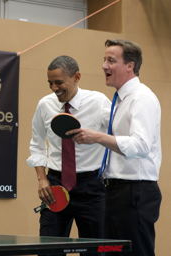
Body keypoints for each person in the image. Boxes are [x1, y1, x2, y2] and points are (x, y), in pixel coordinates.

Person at [69, 40, 161, 256]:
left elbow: (141, 145)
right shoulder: (119, 100)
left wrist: (99, 137)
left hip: (134, 193)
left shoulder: (142, 98)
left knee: (136, 252)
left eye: (111, 60)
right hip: (114, 191)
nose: (104, 65)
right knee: (112, 252)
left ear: (130, 65)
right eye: (104, 60)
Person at [26, 56, 111, 254]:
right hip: (55, 185)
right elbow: (36, 145)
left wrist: (96, 138)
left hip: (92, 187)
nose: (54, 88)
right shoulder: (45, 105)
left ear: (77, 77)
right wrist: (42, 180)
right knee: (48, 250)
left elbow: (117, 139)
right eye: (50, 83)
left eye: (59, 82)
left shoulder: (99, 103)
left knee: (98, 250)